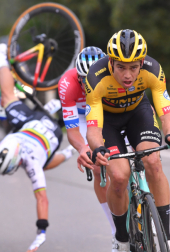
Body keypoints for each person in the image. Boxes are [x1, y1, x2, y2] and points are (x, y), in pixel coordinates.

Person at [85, 29, 170, 252]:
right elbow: (93, 128)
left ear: (142, 62)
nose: (128, 75)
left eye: (134, 67)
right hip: (107, 121)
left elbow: (166, 112)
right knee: (119, 176)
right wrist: (98, 148)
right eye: (121, 67)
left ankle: (167, 240)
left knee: (153, 161)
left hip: (138, 112)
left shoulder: (153, 70)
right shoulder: (96, 78)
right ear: (111, 62)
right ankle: (121, 241)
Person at [0, 43, 74, 252]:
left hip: (51, 133)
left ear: (18, 159)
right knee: (9, 98)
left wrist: (42, 230)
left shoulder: (31, 162)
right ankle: (2, 59)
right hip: (29, 125)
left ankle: (69, 151)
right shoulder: (0, 151)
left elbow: (42, 200)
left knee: (43, 163)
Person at [58, 46, 117, 235]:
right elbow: (73, 131)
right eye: (84, 80)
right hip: (84, 117)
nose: (89, 83)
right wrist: (83, 148)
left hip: (107, 113)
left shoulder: (114, 76)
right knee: (98, 166)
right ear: (78, 77)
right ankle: (114, 226)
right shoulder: (67, 84)